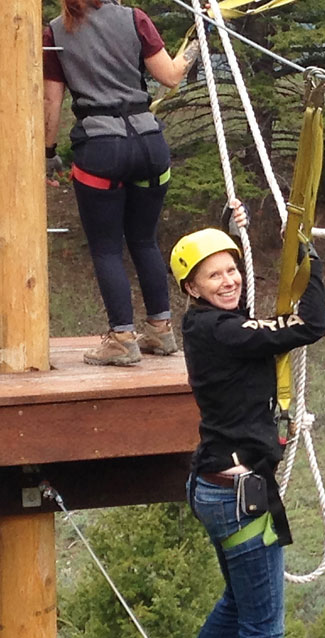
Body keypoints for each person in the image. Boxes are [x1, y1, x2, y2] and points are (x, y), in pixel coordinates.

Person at [164, 203, 325, 638]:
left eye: (232, 269)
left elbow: (250, 318)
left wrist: (235, 228)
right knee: (264, 628)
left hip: (217, 486)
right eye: (215, 275)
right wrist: (313, 270)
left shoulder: (206, 325)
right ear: (191, 288)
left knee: (238, 605)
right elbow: (307, 328)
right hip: (240, 496)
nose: (230, 279)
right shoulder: (224, 332)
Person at [42, 0, 199, 366]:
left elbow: (52, 100)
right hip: (149, 145)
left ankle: (122, 338)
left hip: (101, 150)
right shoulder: (134, 19)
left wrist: (48, 152)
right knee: (144, 239)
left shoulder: (56, 32)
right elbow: (172, 76)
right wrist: (199, 35)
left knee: (107, 248)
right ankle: (161, 330)